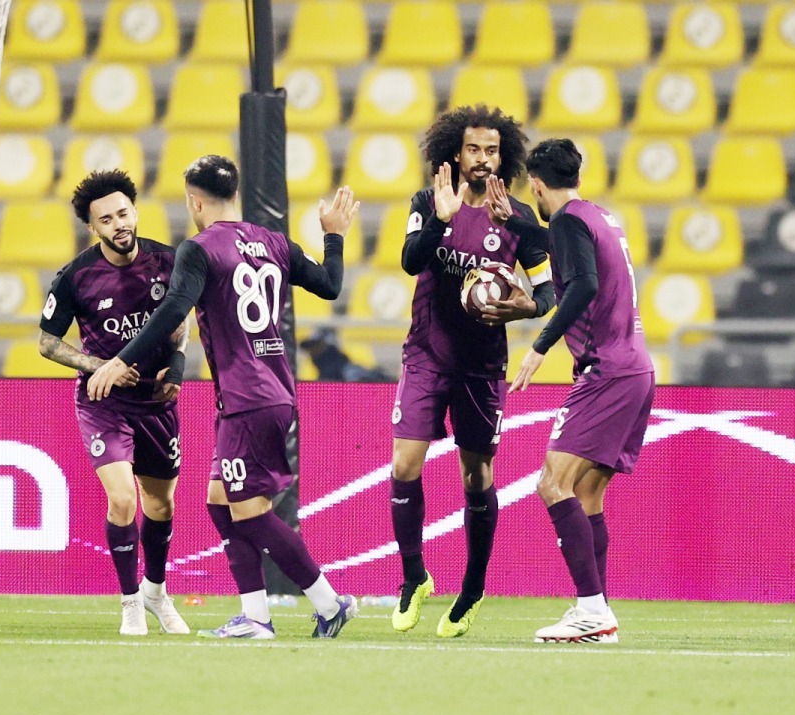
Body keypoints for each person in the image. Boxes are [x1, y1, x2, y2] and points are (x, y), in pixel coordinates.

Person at [88, 156, 360, 639]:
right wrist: (333, 235)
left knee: (249, 512)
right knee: (219, 500)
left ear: (194, 200)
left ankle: (327, 600)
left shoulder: (199, 248)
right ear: (235, 195)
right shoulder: (274, 241)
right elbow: (330, 284)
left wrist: (119, 360)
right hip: (272, 391)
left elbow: (174, 308)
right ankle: (255, 616)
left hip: (247, 396)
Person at [387, 105, 555, 637]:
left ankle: (474, 585)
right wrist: (439, 217)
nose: (483, 160)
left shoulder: (519, 217)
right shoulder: (429, 202)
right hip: (426, 355)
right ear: (454, 155)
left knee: (476, 476)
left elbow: (549, 291)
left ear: (503, 155)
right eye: (473, 150)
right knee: (404, 464)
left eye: (492, 151)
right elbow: (411, 262)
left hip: (481, 367)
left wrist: (526, 307)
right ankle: (413, 576)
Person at [502, 138, 655, 643]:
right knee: (587, 494)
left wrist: (540, 346)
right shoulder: (598, 216)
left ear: (537, 185)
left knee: (551, 482)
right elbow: (566, 247)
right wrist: (523, 222)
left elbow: (584, 282)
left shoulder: (568, 223)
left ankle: (591, 608)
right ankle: (599, 613)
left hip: (605, 371)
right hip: (635, 367)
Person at [40, 169, 190, 636]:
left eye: (124, 213)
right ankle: (129, 604)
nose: (119, 224)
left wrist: (179, 364)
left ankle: (156, 593)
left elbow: (181, 320)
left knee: (160, 505)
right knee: (123, 499)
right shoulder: (76, 277)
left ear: (136, 211)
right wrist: (96, 367)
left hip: (156, 401)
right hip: (103, 401)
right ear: (93, 227)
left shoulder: (170, 262)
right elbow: (46, 343)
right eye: (106, 219)